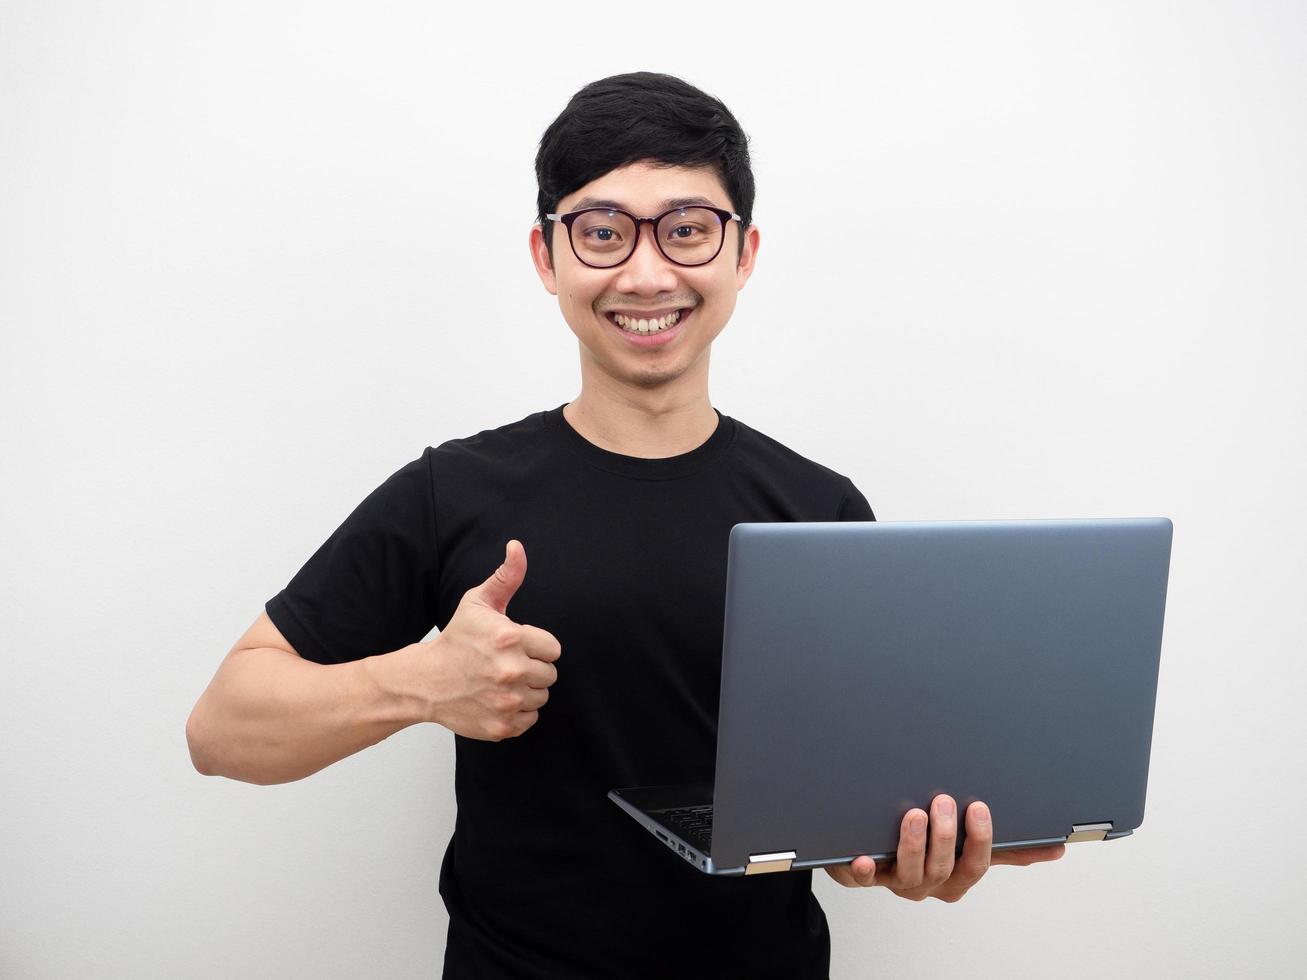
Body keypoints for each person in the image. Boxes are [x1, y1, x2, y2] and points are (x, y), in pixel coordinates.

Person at [186, 71, 1064, 979]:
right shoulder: (451, 491)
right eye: (602, 233)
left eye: (686, 230)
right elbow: (220, 730)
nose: (646, 274)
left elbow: (848, 823)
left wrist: (907, 853)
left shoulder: (822, 510)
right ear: (546, 256)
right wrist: (418, 683)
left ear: (743, 252)